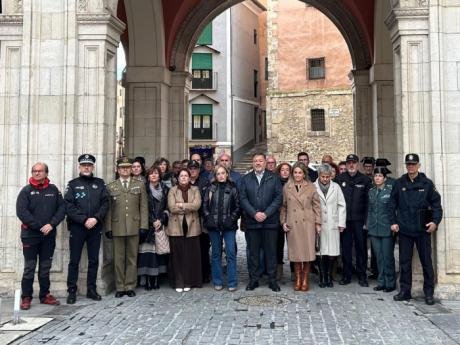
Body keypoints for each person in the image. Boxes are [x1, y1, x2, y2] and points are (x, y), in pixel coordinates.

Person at [391, 153, 443, 305]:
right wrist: (393, 222)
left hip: (422, 230)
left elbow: (436, 205)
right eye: (408, 164)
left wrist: (435, 222)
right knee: (405, 262)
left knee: (426, 262)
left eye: (413, 164)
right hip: (405, 229)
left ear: (418, 165)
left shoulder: (427, 184)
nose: (411, 167)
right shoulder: (399, 183)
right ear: (406, 166)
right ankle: (405, 291)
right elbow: (391, 205)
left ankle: (429, 293)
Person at [16, 162, 66, 310]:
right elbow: (22, 212)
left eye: (40, 171)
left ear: (46, 173)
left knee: (45, 267)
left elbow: (61, 208)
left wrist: (51, 224)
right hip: (30, 236)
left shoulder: (53, 190)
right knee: (29, 267)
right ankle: (26, 297)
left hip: (48, 235)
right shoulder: (26, 191)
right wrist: (39, 226)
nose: (36, 173)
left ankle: (45, 295)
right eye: (34, 171)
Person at [65, 154, 110, 304]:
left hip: (95, 227)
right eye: (84, 165)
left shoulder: (100, 184)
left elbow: (105, 203)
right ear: (79, 167)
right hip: (78, 227)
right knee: (74, 260)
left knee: (93, 260)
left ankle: (91, 289)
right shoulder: (72, 185)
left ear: (93, 167)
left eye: (89, 165)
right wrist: (84, 219)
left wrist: (95, 218)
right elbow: (69, 206)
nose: (86, 167)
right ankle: (72, 291)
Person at [105, 157, 149, 298]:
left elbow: (143, 206)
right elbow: (109, 209)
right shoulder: (111, 186)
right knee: (118, 258)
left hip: (134, 225)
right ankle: (120, 286)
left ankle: (130, 285)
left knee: (132, 257)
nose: (125, 170)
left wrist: (143, 225)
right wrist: (108, 227)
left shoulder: (139, 185)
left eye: (127, 167)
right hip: (117, 226)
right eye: (122, 168)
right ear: (118, 170)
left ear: (131, 169)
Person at [240, 153, 283, 292]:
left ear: (265, 163)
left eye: (260, 161)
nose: (258, 163)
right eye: (255, 161)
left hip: (270, 222)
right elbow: (243, 198)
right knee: (253, 252)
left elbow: (278, 198)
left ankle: (272, 280)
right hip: (252, 222)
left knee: (271, 252)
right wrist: (254, 213)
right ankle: (254, 280)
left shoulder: (274, 178)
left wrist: (266, 213)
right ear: (252, 163)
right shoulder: (246, 179)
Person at [280, 162, 321, 291]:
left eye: (300, 172)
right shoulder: (287, 187)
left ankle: (305, 278)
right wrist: (283, 222)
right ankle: (298, 277)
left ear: (304, 174)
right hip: (293, 223)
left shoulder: (311, 187)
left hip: (307, 223)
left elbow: (317, 206)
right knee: (296, 253)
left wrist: (318, 223)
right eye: (295, 172)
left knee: (308, 252)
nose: (297, 175)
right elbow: (284, 207)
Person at [335, 154, 372, 286]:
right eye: (349, 162)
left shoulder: (365, 180)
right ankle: (346, 275)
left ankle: (362, 276)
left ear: (357, 164)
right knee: (346, 249)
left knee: (361, 249)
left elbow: (368, 202)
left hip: (359, 221)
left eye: (354, 163)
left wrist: (366, 221)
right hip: (345, 221)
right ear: (346, 164)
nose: (351, 165)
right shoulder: (339, 179)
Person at [203, 165, 240, 291]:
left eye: (223, 173)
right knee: (216, 254)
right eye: (218, 173)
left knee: (230, 253)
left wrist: (231, 218)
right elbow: (205, 206)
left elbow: (238, 206)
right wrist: (209, 218)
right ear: (215, 175)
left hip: (228, 226)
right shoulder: (211, 188)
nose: (221, 175)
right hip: (214, 226)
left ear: (227, 174)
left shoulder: (233, 188)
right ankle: (217, 280)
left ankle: (232, 282)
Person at [167, 168, 203, 292]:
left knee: (190, 256)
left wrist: (181, 205)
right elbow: (172, 207)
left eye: (186, 175)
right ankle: (179, 282)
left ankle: (189, 281)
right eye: (181, 176)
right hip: (176, 227)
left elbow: (197, 205)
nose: (183, 177)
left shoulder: (195, 189)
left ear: (189, 177)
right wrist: (189, 206)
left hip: (192, 227)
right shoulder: (172, 190)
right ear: (178, 178)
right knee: (178, 256)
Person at [314, 164, 346, 288]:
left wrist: (341, 223)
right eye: (323, 177)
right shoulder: (313, 186)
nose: (325, 179)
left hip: (332, 223)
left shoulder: (336, 187)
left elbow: (341, 205)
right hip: (319, 223)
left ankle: (329, 276)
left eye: (327, 177)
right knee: (321, 252)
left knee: (332, 252)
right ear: (319, 175)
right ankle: (322, 276)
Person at [138, 166, 170, 290]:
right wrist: (152, 221)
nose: (153, 175)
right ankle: (147, 280)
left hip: (160, 225)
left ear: (159, 175)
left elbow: (168, 207)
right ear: (148, 176)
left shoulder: (166, 190)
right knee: (147, 255)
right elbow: (141, 207)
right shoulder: (143, 189)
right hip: (147, 225)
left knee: (159, 253)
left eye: (156, 173)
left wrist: (161, 220)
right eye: (151, 174)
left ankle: (156, 279)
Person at [367, 167, 396, 293]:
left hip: (386, 228)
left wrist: (394, 224)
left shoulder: (390, 191)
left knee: (387, 256)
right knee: (378, 256)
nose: (377, 178)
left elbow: (394, 209)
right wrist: (367, 224)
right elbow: (369, 209)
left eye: (380, 176)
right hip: (374, 228)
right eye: (375, 176)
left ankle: (390, 282)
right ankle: (381, 281)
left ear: (385, 178)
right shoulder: (371, 191)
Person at [188, 160, 211, 283]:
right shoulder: (184, 181)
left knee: (203, 248)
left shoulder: (204, 182)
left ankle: (205, 274)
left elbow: (206, 201)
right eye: (190, 168)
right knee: (190, 249)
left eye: (195, 168)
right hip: (187, 219)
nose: (193, 171)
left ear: (198, 170)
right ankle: (192, 274)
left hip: (201, 219)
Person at [276, 162, 292, 280]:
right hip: (278, 219)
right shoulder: (275, 183)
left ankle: (294, 271)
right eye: (283, 170)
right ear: (279, 171)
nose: (285, 172)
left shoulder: (294, 184)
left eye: (287, 170)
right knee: (278, 245)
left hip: (292, 217)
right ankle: (279, 271)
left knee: (293, 245)